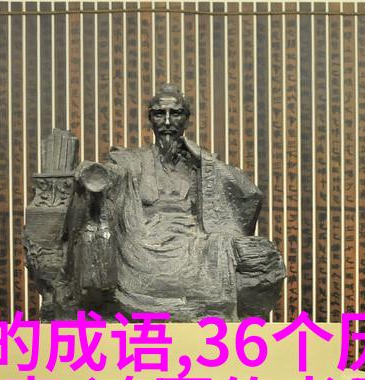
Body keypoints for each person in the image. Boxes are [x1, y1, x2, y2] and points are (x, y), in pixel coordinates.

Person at [69, 83, 283, 321]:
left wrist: (204, 160)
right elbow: (113, 173)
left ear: (187, 119)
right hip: (142, 244)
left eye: (176, 113)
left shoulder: (201, 164)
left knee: (256, 254)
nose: (168, 122)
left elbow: (248, 194)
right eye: (160, 114)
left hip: (195, 243)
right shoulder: (133, 160)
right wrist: (94, 173)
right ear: (151, 119)